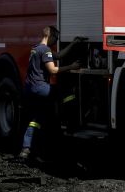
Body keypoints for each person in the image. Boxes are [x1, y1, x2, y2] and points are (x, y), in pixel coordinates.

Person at [18, 26, 80, 160]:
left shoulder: (35, 49)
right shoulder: (45, 50)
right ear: (50, 36)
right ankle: (71, 123)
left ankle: (25, 149)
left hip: (29, 90)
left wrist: (73, 44)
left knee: (34, 119)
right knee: (68, 93)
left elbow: (58, 55)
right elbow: (52, 70)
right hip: (40, 88)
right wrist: (72, 67)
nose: (55, 42)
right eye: (55, 39)